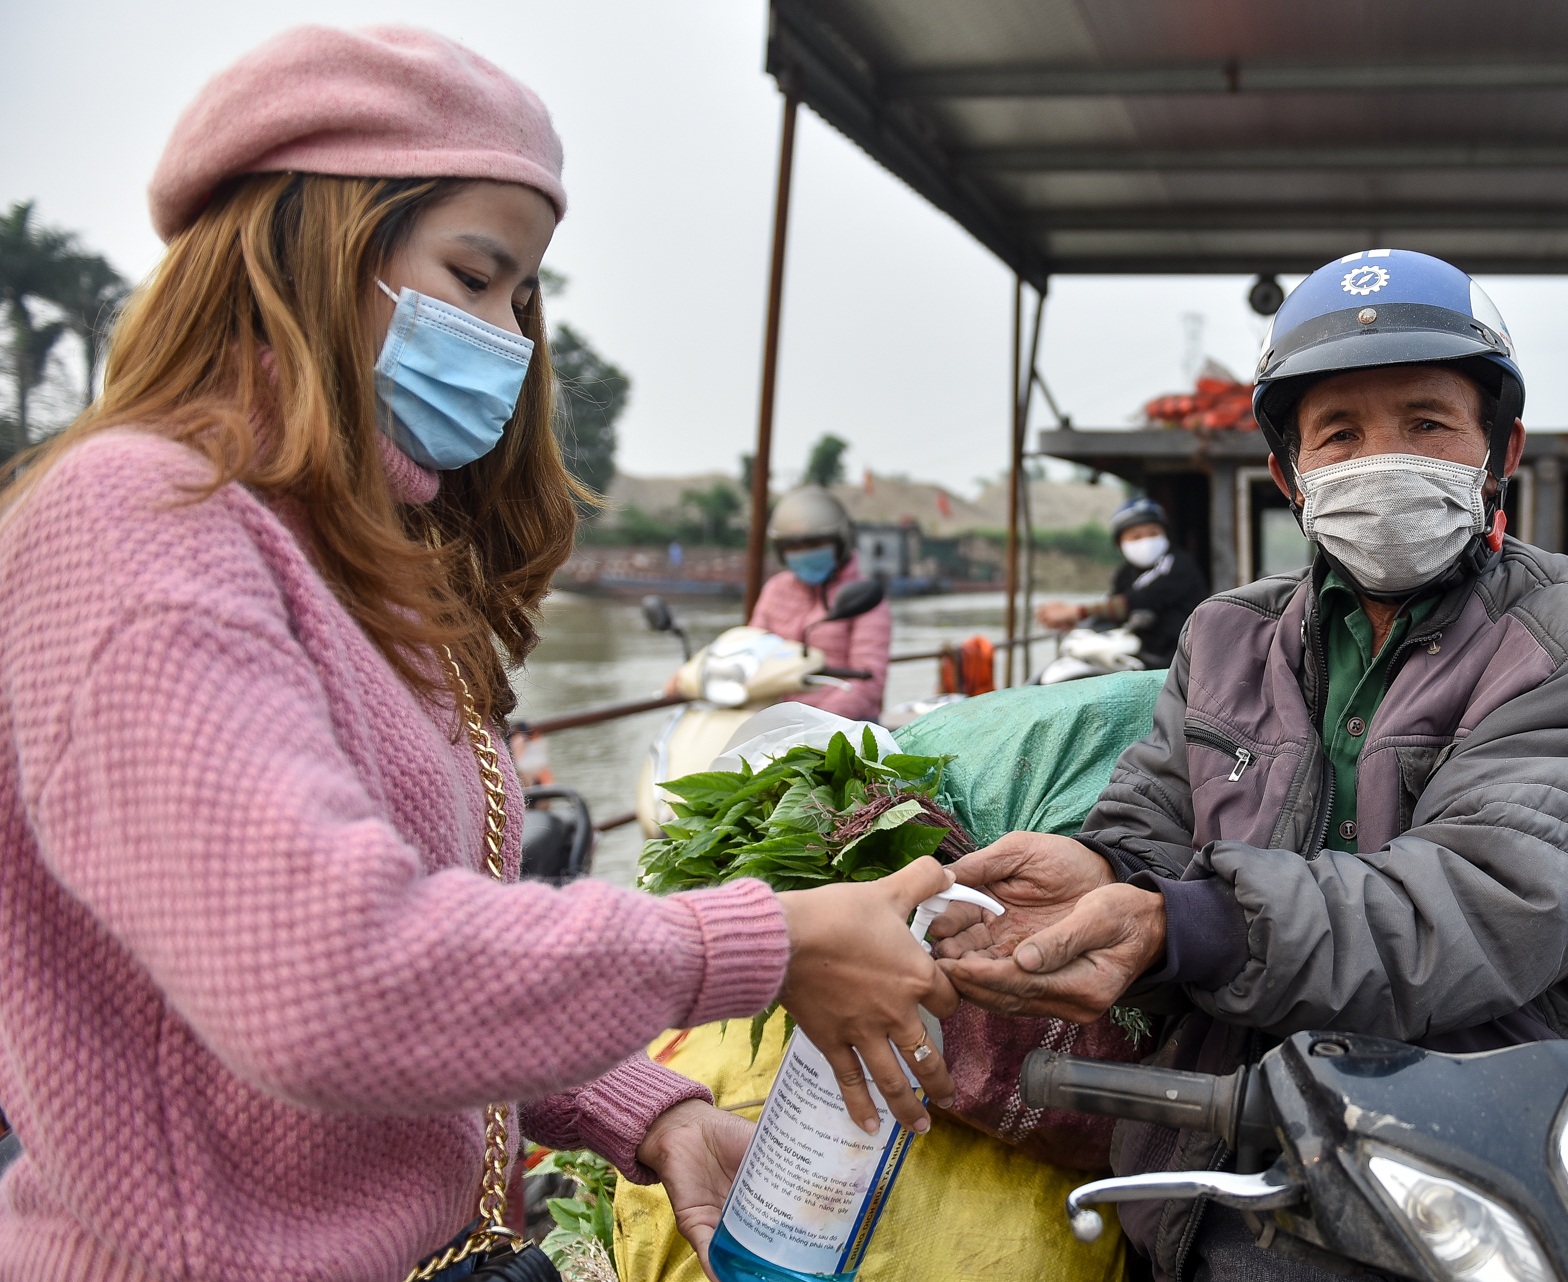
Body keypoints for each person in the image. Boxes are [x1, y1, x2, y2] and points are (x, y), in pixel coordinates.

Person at [0, 28, 955, 1282]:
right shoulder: (141, 521)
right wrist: (766, 939)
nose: (510, 335)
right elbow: (329, 976)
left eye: (524, 296)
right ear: (314, 247)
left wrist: (645, 1109)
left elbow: (451, 966)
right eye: (475, 274)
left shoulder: (370, 563)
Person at [931, 249, 1568, 1280]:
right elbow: (1151, 821)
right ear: (1290, 474)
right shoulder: (1224, 636)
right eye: (1341, 434)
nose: (1384, 460)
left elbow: (1483, 902)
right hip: (1223, 1144)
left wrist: (1187, 922)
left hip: (1490, 1160)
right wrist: (1100, 878)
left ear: (1498, 447)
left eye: (1426, 423)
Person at [746, 485, 892, 721]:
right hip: (775, 723)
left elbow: (868, 681)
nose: (803, 554)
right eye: (793, 547)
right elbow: (750, 650)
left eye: (815, 545)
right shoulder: (775, 590)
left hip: (843, 726)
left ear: (841, 543)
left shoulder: (864, 595)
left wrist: (814, 724)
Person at [1036, 497, 1208, 670]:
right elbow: (1111, 607)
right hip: (1139, 654)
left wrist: (1074, 611)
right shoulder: (1126, 574)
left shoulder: (1177, 564)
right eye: (1136, 536)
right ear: (1120, 543)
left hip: (1179, 660)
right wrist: (1075, 622)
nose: (1146, 541)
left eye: (1154, 533)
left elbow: (1134, 601)